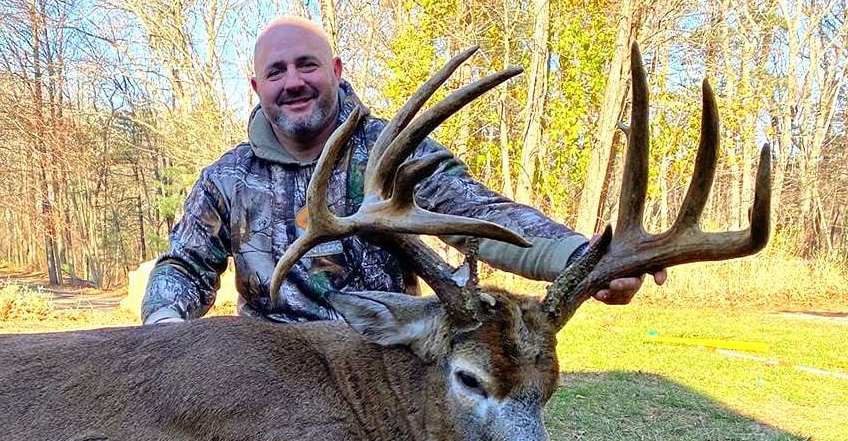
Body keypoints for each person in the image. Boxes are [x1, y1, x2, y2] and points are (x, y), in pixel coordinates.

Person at [142, 16, 664, 326]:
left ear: (336, 71)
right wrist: (164, 324)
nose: (293, 81)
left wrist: (583, 257)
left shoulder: (393, 149)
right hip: (270, 375)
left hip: (383, 364)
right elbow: (184, 265)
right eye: (275, 72)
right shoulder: (227, 178)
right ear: (257, 88)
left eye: (307, 65)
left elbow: (477, 217)